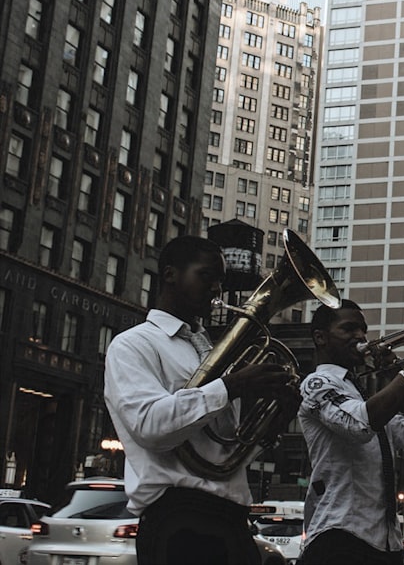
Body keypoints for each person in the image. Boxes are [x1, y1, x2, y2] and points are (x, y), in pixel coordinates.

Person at [104, 235, 297, 565]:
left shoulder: (208, 350)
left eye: (220, 280)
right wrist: (231, 386)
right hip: (178, 519)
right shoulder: (132, 345)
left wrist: (276, 421)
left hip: (231, 516)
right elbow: (150, 427)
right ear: (170, 274)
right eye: (206, 276)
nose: (217, 290)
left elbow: (227, 449)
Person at [297, 300, 404, 565]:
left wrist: (398, 372)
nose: (359, 336)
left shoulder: (363, 395)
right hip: (339, 534)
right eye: (348, 329)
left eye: (362, 330)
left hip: (386, 541)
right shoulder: (316, 384)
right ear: (320, 337)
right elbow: (359, 425)